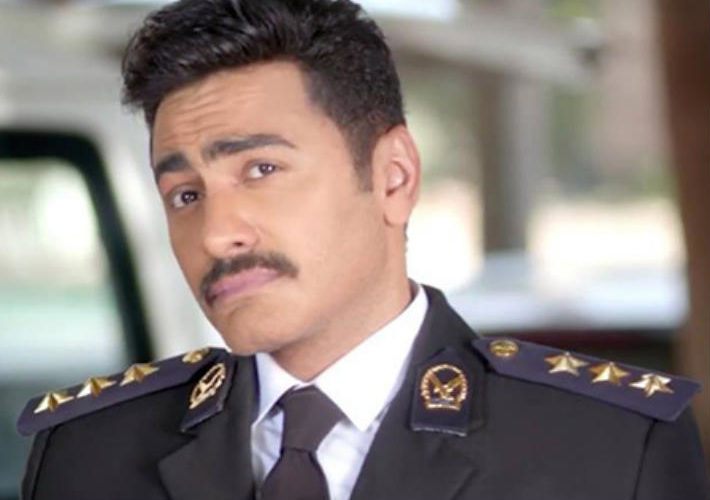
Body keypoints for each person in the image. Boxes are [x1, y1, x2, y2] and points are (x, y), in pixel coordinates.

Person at [16, 0, 709, 499]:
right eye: (185, 195)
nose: (217, 233)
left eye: (261, 169)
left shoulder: (608, 450)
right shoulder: (90, 453)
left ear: (393, 178)